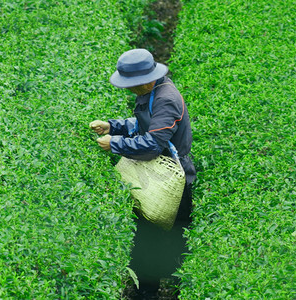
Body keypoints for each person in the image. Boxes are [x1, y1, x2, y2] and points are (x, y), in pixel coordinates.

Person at [90, 48, 196, 295]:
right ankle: (147, 289)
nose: (129, 89)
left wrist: (113, 144)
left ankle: (166, 289)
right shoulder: (152, 91)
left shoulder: (166, 98)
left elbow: (152, 144)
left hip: (170, 180)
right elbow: (141, 124)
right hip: (153, 173)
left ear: (146, 80)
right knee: (148, 239)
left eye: (132, 85)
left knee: (166, 240)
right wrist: (112, 127)